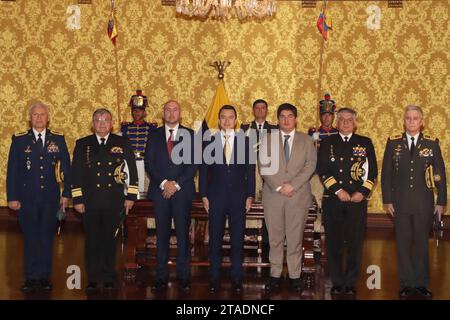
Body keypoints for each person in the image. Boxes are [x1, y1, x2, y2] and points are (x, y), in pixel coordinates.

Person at [381, 105, 447, 299]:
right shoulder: (393, 143)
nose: (411, 121)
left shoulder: (431, 144)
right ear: (404, 121)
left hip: (423, 203)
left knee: (421, 244)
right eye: (408, 118)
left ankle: (421, 284)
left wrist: (441, 201)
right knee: (402, 244)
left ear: (422, 121)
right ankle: (406, 284)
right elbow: (386, 174)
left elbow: (439, 175)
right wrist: (387, 200)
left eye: (415, 118)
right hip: (399, 203)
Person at [6, 101, 71, 292]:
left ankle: (44, 277)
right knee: (30, 238)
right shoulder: (19, 140)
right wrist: (12, 197)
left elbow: (66, 168)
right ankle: (30, 277)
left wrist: (66, 194)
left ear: (48, 117)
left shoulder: (58, 139)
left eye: (43, 114)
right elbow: (13, 171)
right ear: (30, 118)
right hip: (27, 199)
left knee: (46, 238)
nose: (39, 118)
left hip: (51, 199)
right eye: (35, 115)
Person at [71, 108, 138, 293]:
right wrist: (77, 198)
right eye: (98, 120)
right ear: (93, 124)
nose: (102, 123)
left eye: (106, 120)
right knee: (92, 241)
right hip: (89, 201)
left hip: (114, 200)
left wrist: (131, 197)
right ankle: (93, 278)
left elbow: (132, 171)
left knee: (110, 240)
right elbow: (75, 173)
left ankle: (109, 276)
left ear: (112, 123)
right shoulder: (83, 144)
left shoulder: (122, 142)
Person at [317, 107, 377, 297]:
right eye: (341, 120)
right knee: (334, 243)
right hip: (333, 200)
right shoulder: (327, 143)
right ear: (336, 122)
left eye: (349, 120)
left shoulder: (365, 143)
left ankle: (350, 282)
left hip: (357, 201)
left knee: (354, 243)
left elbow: (372, 172)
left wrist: (362, 193)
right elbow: (323, 170)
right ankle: (337, 281)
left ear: (355, 123)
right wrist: (338, 190)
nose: (345, 123)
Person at [259, 103, 317, 293]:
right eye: (282, 116)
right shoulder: (267, 139)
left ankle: (295, 276)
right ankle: (275, 275)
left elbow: (310, 165)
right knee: (274, 239)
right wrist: (279, 186)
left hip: (297, 196)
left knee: (295, 239)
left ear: (296, 119)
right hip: (273, 196)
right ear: (277, 119)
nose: (286, 120)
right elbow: (264, 166)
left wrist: (292, 185)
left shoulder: (306, 140)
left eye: (290, 116)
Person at [200, 105, 255, 294]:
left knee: (237, 239)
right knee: (215, 239)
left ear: (236, 120)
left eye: (230, 117)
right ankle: (214, 277)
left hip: (238, 198)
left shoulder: (245, 142)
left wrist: (250, 195)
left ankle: (237, 277)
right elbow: (204, 170)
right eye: (223, 117)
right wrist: (204, 195)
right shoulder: (210, 142)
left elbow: (250, 171)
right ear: (219, 120)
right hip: (216, 198)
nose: (226, 121)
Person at [144, 100, 197, 292]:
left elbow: (193, 165)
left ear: (180, 113)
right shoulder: (154, 134)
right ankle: (161, 276)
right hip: (160, 193)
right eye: (168, 110)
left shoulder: (190, 134)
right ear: (163, 113)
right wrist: (163, 183)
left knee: (183, 236)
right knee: (162, 235)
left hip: (182, 192)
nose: (171, 113)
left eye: (175, 110)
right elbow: (149, 163)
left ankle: (184, 276)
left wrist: (175, 184)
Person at [240, 99, 278, 253]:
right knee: (250, 203)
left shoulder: (275, 129)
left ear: (267, 110)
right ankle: (250, 235)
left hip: (270, 172)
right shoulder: (244, 128)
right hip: (250, 172)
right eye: (257, 108)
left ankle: (268, 240)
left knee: (268, 206)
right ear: (253, 111)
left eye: (263, 108)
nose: (260, 110)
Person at [120, 90, 157, 198]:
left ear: (144, 112)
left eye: (140, 110)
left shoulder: (151, 128)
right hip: (129, 163)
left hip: (145, 164)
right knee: (129, 193)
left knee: (144, 195)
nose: (137, 112)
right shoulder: (125, 127)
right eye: (134, 110)